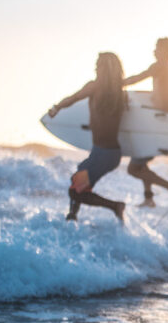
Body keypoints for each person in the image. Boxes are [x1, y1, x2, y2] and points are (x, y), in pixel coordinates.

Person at [47, 52, 127, 223]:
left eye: (98, 64)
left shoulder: (96, 87)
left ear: (105, 68)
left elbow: (74, 98)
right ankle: (72, 216)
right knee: (77, 181)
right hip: (104, 152)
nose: (95, 67)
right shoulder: (119, 92)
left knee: (75, 191)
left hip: (106, 154)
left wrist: (56, 108)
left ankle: (115, 207)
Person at [122, 37, 168, 209]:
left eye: (157, 48)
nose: (154, 51)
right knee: (140, 163)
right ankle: (149, 198)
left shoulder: (159, 66)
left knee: (133, 169)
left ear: (165, 51)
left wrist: (115, 83)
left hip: (156, 125)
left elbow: (137, 78)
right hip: (165, 125)